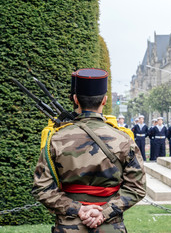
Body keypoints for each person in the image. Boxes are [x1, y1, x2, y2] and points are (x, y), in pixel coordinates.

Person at [32, 68, 146, 233]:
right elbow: (137, 188)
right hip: (111, 226)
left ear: (76, 99)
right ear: (105, 100)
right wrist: (104, 212)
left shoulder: (56, 139)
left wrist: (78, 209)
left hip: (69, 226)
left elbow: (42, 188)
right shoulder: (124, 139)